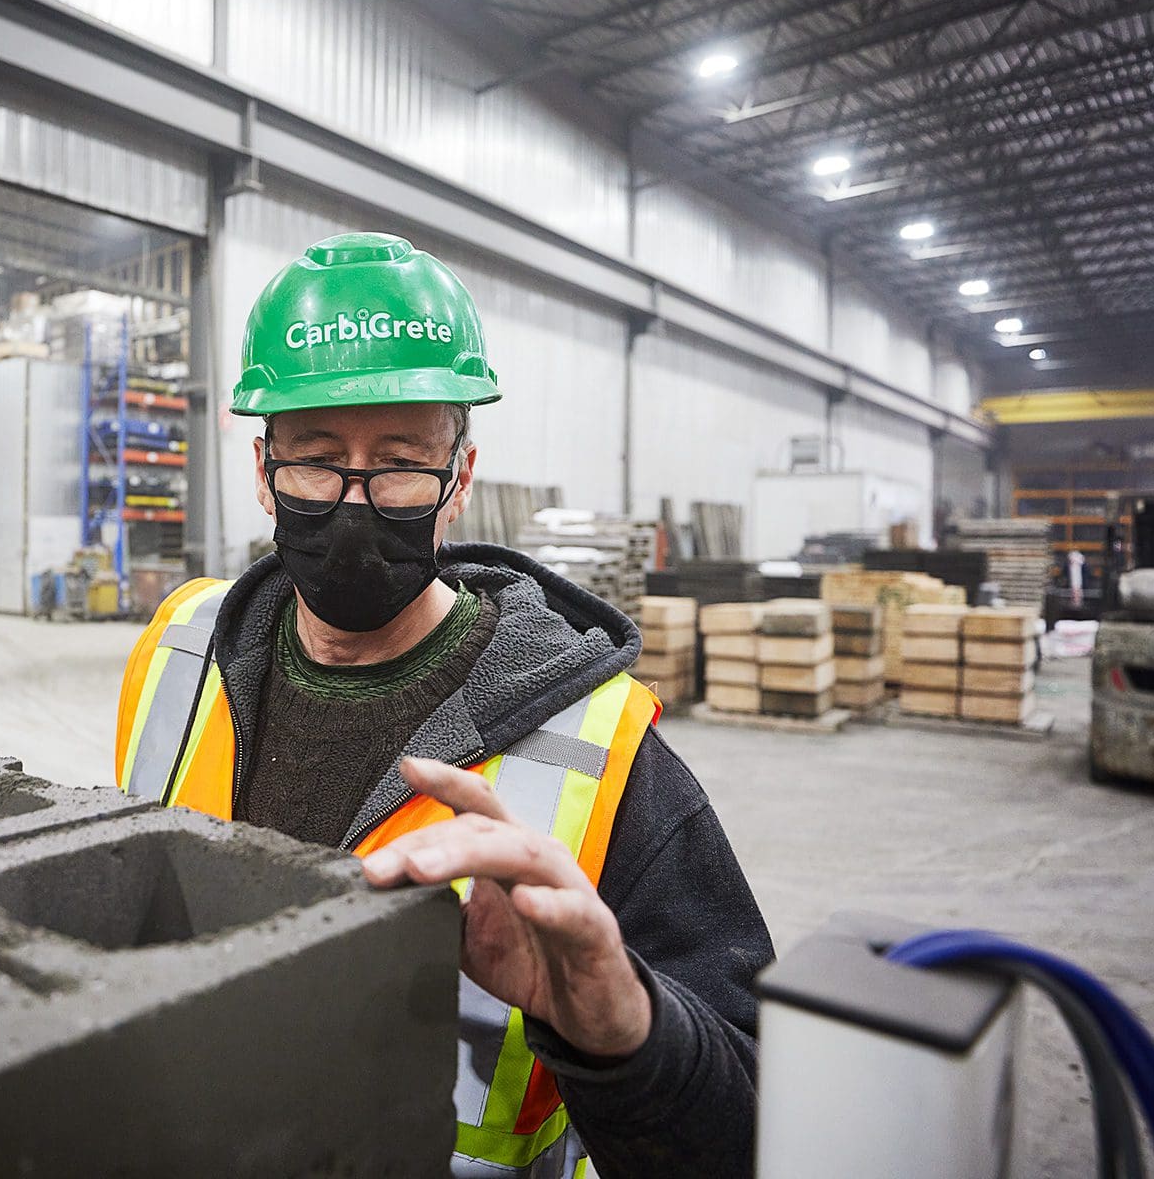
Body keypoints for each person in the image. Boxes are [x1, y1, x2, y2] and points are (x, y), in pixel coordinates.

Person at [115, 233, 770, 1178]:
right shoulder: (176, 655)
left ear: (458, 480)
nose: (353, 500)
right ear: (263, 471)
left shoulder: (602, 749)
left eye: (399, 462)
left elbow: (751, 1126)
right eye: (314, 458)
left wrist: (624, 1032)